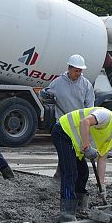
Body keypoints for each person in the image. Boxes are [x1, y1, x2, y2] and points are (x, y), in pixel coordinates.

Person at [51, 104, 112, 222]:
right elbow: (85, 122)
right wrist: (87, 146)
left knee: (83, 173)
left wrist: (101, 185)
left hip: (74, 143)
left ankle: (80, 206)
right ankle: (67, 212)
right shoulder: (106, 115)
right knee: (70, 172)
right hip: (63, 131)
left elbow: (102, 159)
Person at [42, 54, 95, 182]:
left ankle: (69, 174)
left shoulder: (86, 85)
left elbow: (90, 105)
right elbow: (44, 94)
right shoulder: (58, 83)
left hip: (79, 123)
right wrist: (44, 94)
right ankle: (61, 174)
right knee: (65, 149)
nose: (78, 73)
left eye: (80, 71)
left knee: (77, 149)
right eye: (76, 70)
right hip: (63, 123)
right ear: (69, 68)